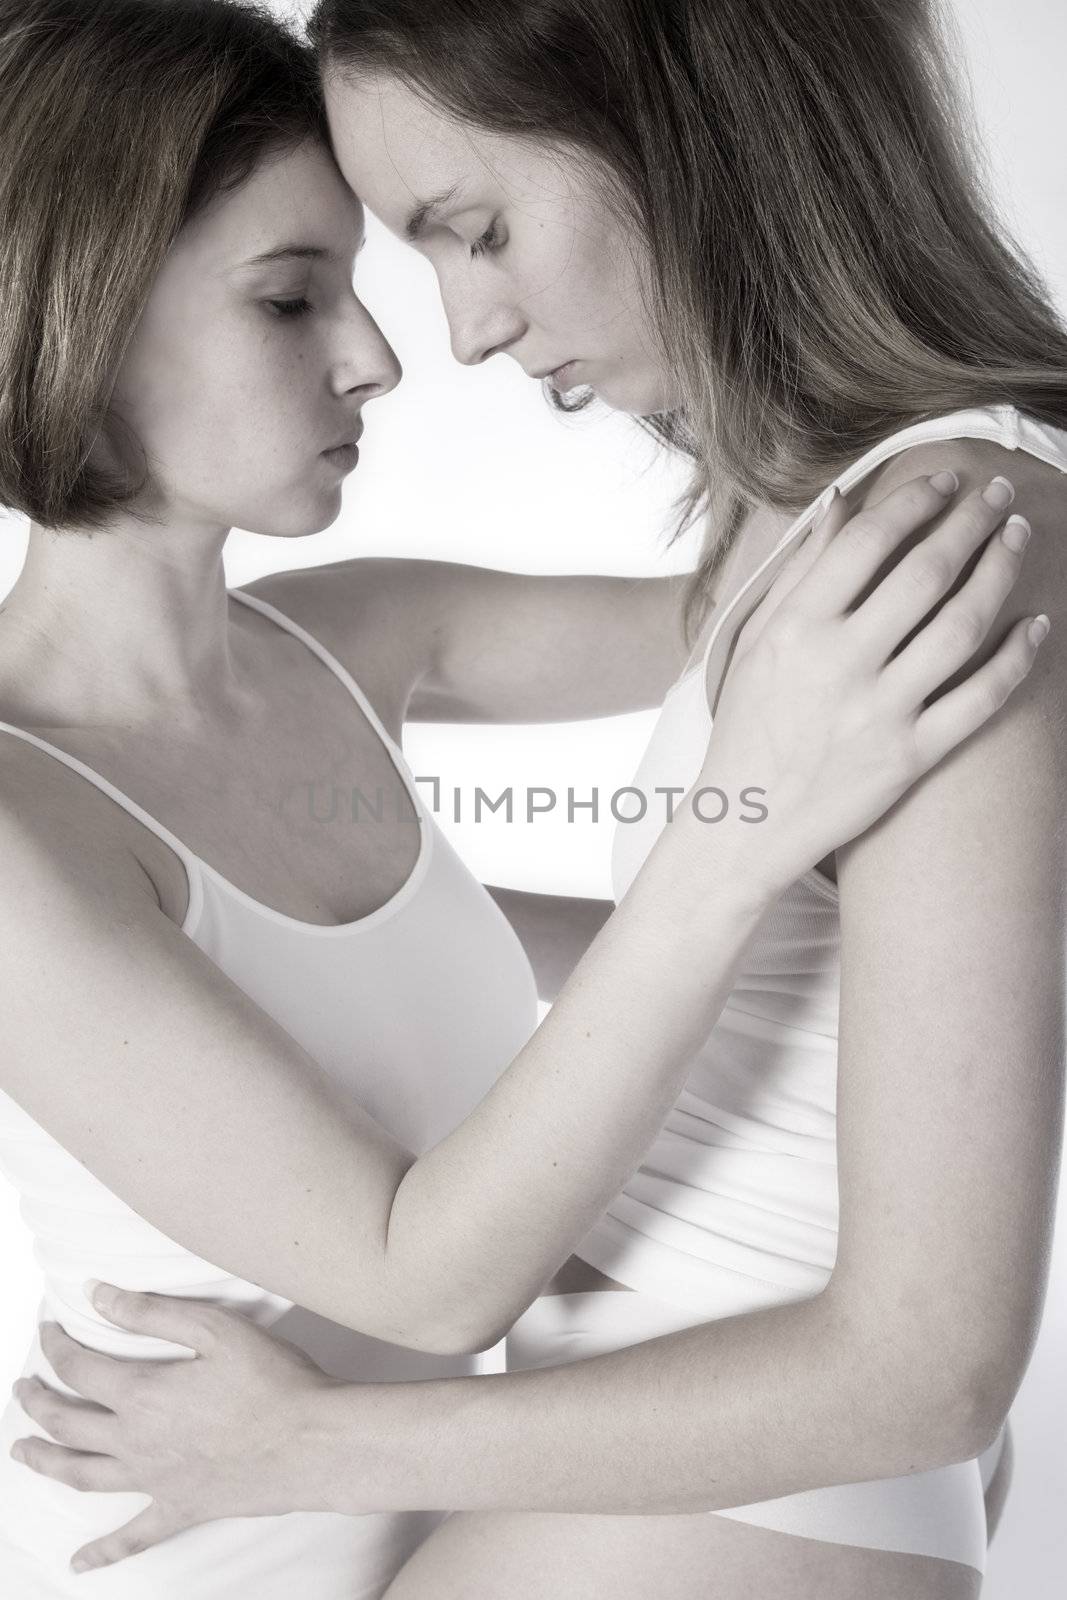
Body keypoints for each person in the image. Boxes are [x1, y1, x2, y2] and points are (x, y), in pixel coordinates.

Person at [4, 1, 1064, 1597]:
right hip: (200, 1538)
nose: (401, 351)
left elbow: (755, 656)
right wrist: (733, 841)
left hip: (573, 1501)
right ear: (76, 309)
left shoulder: (357, 637)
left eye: (454, 238)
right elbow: (426, 1275)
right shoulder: (30, 819)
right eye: (296, 296)